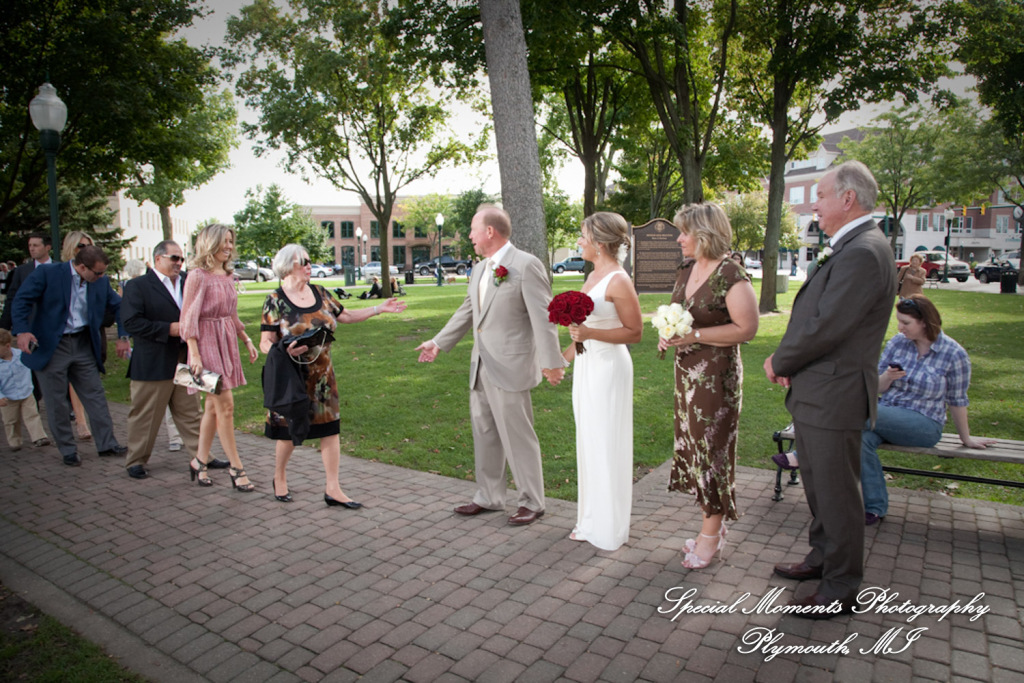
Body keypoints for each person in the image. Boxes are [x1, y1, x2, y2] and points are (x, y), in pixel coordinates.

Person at [764, 160, 896, 618]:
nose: (814, 205)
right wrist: (795, 364)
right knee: (820, 485)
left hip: (835, 393)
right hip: (820, 389)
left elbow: (828, 326)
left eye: (820, 195)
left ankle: (840, 587)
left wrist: (781, 360)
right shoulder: (856, 246)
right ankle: (821, 558)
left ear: (848, 198)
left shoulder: (864, 252)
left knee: (838, 494)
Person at [416, 205, 566, 526]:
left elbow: (544, 318)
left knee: (518, 437)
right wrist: (438, 342)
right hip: (481, 365)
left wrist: (552, 362)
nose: (469, 235)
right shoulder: (481, 269)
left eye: (473, 229)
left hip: (512, 367)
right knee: (485, 433)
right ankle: (489, 496)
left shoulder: (526, 265)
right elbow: (468, 311)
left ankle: (532, 501)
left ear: (489, 231)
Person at [260, 245, 407, 506]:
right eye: (304, 261)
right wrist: (283, 349)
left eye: (310, 261)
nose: (310, 266)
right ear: (289, 265)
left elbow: (346, 315)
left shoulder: (320, 292)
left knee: (330, 431)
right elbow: (265, 342)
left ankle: (333, 489)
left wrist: (379, 308)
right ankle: (279, 476)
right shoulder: (275, 300)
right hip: (292, 378)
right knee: (288, 432)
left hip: (323, 379)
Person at [658, 203, 759, 568]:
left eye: (685, 232)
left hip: (716, 378)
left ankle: (711, 535)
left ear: (704, 234)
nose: (679, 239)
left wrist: (694, 336)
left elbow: (746, 329)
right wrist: (667, 334)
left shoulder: (731, 274)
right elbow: (678, 313)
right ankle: (712, 525)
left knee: (712, 451)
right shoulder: (686, 269)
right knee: (696, 450)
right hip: (686, 376)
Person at [861, 294, 995, 524]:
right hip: (885, 416)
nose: (900, 327)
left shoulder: (954, 354)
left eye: (906, 323)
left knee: (854, 411)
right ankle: (874, 507)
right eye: (899, 321)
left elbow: (957, 400)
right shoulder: (897, 343)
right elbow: (877, 388)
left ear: (924, 322)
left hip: (923, 424)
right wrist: (888, 377)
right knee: (859, 440)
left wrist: (966, 438)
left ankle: (801, 454)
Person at [562, 212, 642, 551]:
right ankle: (590, 519)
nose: (579, 241)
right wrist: (562, 361)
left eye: (583, 236)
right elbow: (582, 330)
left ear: (599, 242)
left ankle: (609, 527)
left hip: (609, 368)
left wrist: (590, 334)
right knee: (589, 441)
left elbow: (634, 332)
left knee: (606, 442)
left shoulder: (619, 280)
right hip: (587, 365)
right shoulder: (593, 275)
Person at [11, 245, 131, 466]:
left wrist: (123, 337)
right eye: (98, 273)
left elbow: (120, 307)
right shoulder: (48, 274)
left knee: (95, 395)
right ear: (82, 267)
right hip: (51, 345)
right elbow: (21, 300)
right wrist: (22, 330)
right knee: (56, 401)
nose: (101, 277)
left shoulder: (100, 282)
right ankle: (67, 449)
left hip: (83, 343)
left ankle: (107, 444)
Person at [122, 241, 226, 480]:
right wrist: (169, 329)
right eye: (174, 258)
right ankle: (136, 460)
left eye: (181, 258)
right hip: (153, 362)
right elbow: (131, 322)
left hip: (186, 359)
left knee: (191, 413)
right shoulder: (138, 286)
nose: (179, 263)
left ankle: (203, 456)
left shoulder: (189, 281)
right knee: (145, 415)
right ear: (158, 259)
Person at [179, 224, 259, 491]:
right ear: (209, 243)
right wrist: (194, 354)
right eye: (224, 241)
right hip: (206, 344)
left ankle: (199, 461)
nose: (229, 246)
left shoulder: (227, 275)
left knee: (213, 408)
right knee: (226, 407)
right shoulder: (197, 276)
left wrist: (246, 339)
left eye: (230, 241)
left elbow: (231, 314)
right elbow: (188, 318)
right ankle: (237, 468)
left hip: (226, 341)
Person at [61, 231, 98, 441]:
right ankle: (79, 421)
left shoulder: (96, 276)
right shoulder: (59, 273)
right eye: (81, 246)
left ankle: (92, 423)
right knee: (68, 380)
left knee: (87, 381)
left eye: (89, 246)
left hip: (86, 334)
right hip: (62, 337)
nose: (86, 250)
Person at [0, 328, 50, 450]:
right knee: (10, 421)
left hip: (26, 391)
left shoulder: (21, 355)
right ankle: (15, 441)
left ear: (7, 346)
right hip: (8, 397)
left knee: (32, 415)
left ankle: (39, 437)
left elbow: (33, 358)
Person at [0, 232, 53, 331]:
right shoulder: (21, 271)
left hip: (55, 327)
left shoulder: (61, 269)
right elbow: (12, 298)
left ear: (48, 247)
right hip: (29, 326)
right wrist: (4, 327)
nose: (31, 249)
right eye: (30, 245)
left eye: (35, 245)